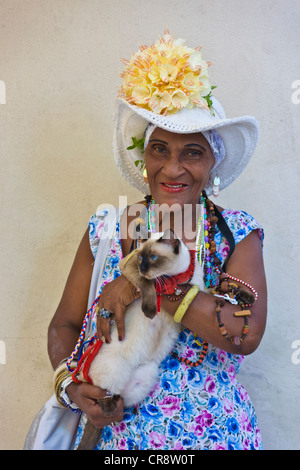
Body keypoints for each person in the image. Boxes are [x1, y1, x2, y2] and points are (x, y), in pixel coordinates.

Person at [46, 31, 267, 450]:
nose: (173, 168)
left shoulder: (237, 234)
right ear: (143, 159)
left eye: (193, 153)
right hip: (117, 441)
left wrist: (142, 284)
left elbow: (246, 334)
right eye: (160, 149)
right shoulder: (107, 231)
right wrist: (71, 387)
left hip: (215, 436)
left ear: (212, 162)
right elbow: (65, 325)